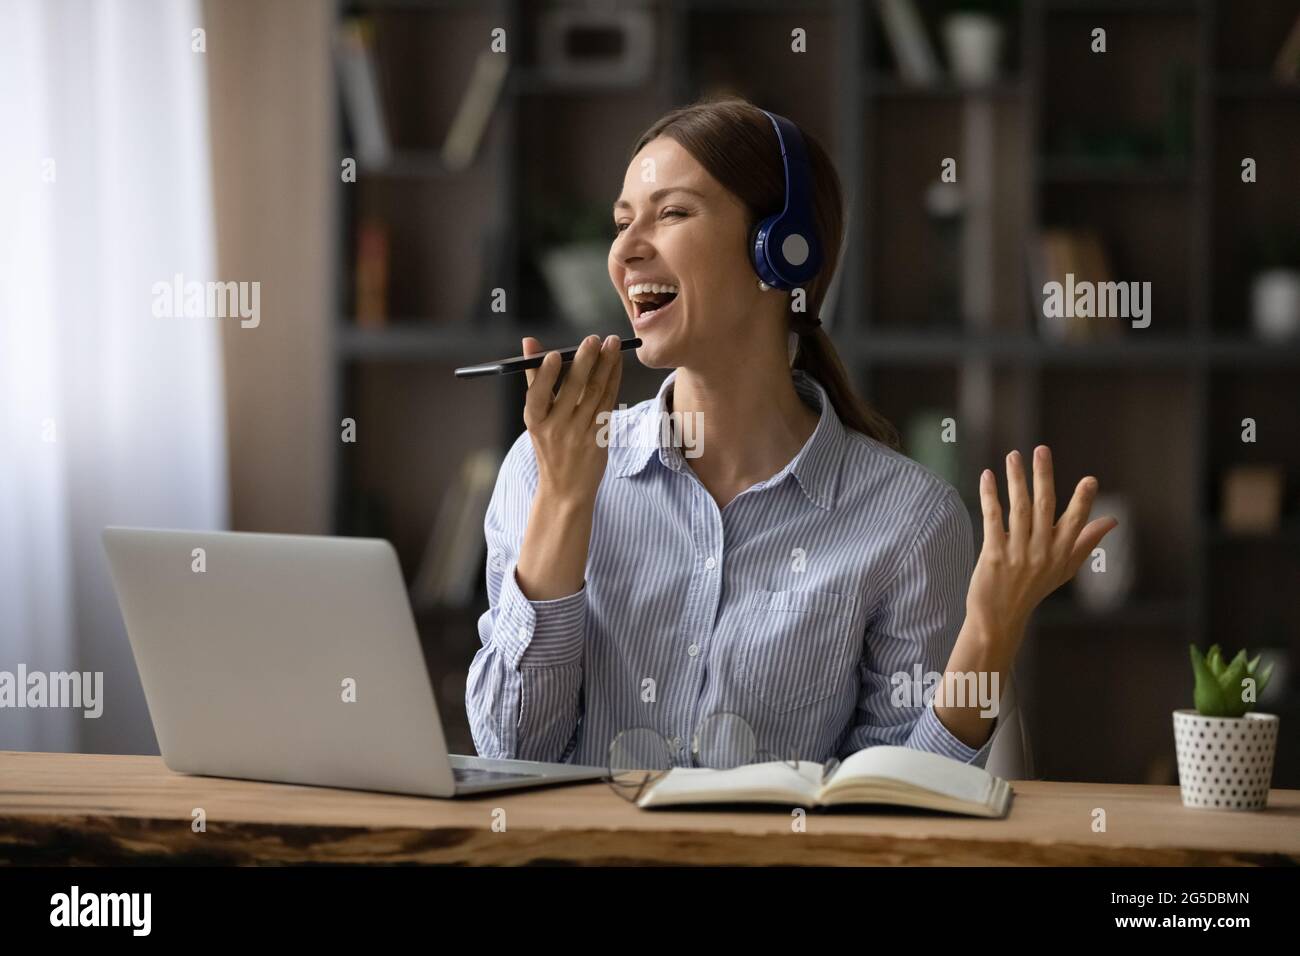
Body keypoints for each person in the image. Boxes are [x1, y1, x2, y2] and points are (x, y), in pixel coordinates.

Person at [466, 97, 1116, 770]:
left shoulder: (909, 520)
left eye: (672, 213)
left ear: (780, 248)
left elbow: (899, 811)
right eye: (622, 222)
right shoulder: (541, 469)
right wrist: (566, 504)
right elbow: (513, 753)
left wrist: (992, 629)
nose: (626, 251)